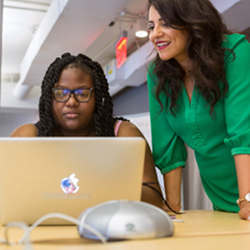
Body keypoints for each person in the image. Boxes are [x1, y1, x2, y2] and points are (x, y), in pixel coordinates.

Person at [11, 52, 170, 212]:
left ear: (97, 97)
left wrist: (99, 188)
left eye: (82, 93)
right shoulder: (27, 136)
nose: (71, 102)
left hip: (107, 230)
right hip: (41, 230)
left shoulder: (123, 134)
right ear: (49, 98)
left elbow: (154, 199)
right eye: (61, 93)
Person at [147, 0, 250, 220]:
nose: (154, 34)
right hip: (222, 201)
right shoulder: (158, 75)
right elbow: (168, 148)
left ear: (191, 21)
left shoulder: (233, 52)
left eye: (165, 24)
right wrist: (173, 212)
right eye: (151, 26)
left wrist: (247, 200)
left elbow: (243, 133)